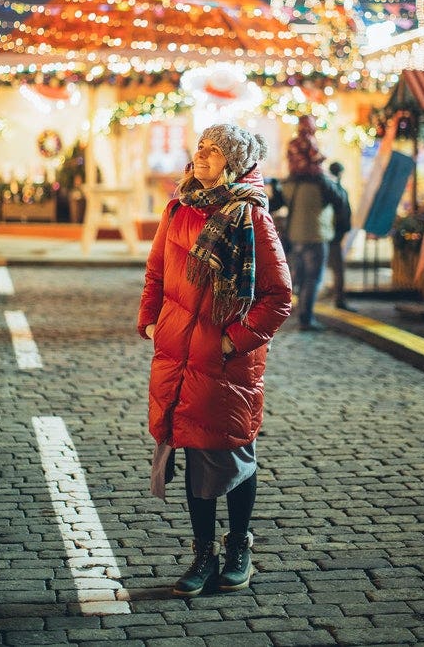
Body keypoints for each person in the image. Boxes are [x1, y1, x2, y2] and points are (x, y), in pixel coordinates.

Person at [138, 124, 292, 598]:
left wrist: (232, 342)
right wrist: (150, 321)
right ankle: (203, 553)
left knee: (231, 449)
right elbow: (157, 271)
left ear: (234, 162)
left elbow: (278, 297)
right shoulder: (180, 207)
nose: (202, 156)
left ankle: (238, 547)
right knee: (189, 443)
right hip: (178, 352)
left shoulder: (251, 216)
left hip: (226, 363)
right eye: (201, 148)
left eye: (214, 151)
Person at [270, 117, 344, 331]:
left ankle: (297, 312)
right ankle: (305, 318)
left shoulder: (288, 183)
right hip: (316, 235)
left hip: (294, 235)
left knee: (300, 278)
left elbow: (275, 204)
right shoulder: (323, 182)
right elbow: (340, 202)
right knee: (313, 278)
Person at [327, 161, 355, 311]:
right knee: (338, 269)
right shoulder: (335, 190)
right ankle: (339, 299)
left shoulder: (333, 188)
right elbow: (343, 212)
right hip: (333, 234)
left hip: (333, 233)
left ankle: (338, 298)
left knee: (336, 269)